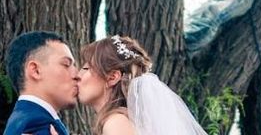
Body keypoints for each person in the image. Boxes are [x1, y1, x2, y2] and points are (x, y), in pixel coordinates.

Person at [77, 35, 208, 135]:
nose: (78, 75)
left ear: (112, 77)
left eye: (86, 68)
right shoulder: (126, 120)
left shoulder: (116, 123)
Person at [4, 31, 79, 135]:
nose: (77, 75)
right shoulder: (38, 124)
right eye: (66, 64)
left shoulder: (23, 118)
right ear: (35, 70)